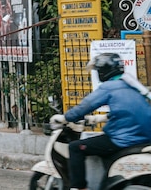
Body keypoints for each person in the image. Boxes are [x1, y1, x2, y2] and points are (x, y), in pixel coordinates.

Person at [54, 53, 151, 190]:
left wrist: (65, 118)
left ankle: (79, 187)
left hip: (123, 139)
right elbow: (128, 111)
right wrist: (103, 118)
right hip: (143, 137)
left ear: (103, 71)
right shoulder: (131, 85)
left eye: (98, 70)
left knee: (75, 147)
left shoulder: (110, 87)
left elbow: (84, 107)